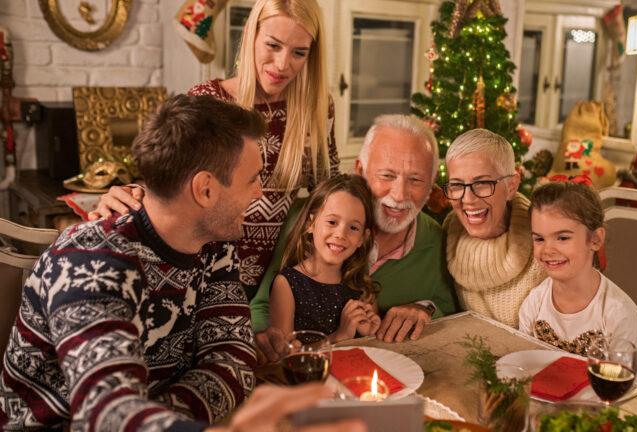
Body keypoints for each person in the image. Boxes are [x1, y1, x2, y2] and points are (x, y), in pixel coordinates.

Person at [0, 95, 361, 432]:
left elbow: (233, 358)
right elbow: (106, 414)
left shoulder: (214, 246)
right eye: (252, 180)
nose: (258, 194)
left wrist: (162, 415)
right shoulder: (91, 261)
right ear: (205, 189)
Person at [89, 0, 338, 302]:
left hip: (275, 284)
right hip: (205, 271)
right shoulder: (210, 100)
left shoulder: (317, 109)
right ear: (250, 35)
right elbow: (173, 184)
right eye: (273, 45)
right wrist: (128, 194)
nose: (283, 64)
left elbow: (328, 195)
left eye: (299, 52)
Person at [252, 114, 457, 355]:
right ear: (361, 169)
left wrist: (424, 308)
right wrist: (269, 339)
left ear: (431, 183)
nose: (400, 195)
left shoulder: (436, 239)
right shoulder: (308, 217)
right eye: (387, 176)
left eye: (416, 179)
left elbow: (452, 312)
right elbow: (262, 304)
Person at [518, 180, 637, 367]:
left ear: (595, 239)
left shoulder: (619, 315)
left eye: (562, 238)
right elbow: (524, 368)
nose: (547, 249)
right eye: (539, 238)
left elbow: (629, 388)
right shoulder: (533, 304)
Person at [442, 129, 546, 328]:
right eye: (456, 185)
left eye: (482, 183)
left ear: (511, 186)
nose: (467, 200)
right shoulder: (450, 229)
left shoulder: (542, 241)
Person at [269, 174, 381, 343]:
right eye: (332, 222)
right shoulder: (286, 284)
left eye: (353, 227)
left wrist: (369, 332)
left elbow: (369, 348)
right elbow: (284, 357)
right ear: (310, 224)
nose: (341, 234)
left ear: (362, 239)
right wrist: (339, 336)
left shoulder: (362, 287)